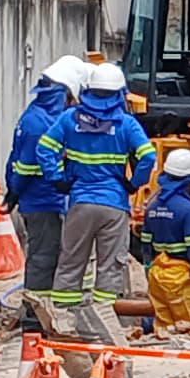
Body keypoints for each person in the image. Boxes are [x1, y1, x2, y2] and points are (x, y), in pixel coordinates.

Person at [36, 60, 144, 340]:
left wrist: (58, 179)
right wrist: (133, 183)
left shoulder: (69, 119)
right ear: (120, 93)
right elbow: (148, 156)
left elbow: (44, 148)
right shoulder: (126, 124)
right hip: (114, 205)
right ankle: (105, 326)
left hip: (80, 203)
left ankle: (64, 322)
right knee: (110, 266)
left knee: (71, 262)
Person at [4, 56, 83, 307]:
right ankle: (33, 314)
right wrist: (14, 193)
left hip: (43, 200)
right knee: (43, 259)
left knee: (48, 257)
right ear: (65, 94)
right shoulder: (42, 123)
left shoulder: (36, 115)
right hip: (43, 201)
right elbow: (27, 166)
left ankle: (41, 311)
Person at [141, 148, 190, 335]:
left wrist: (149, 274)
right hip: (181, 280)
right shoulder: (189, 210)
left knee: (164, 332)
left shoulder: (152, 208)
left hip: (157, 277)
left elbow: (146, 248)